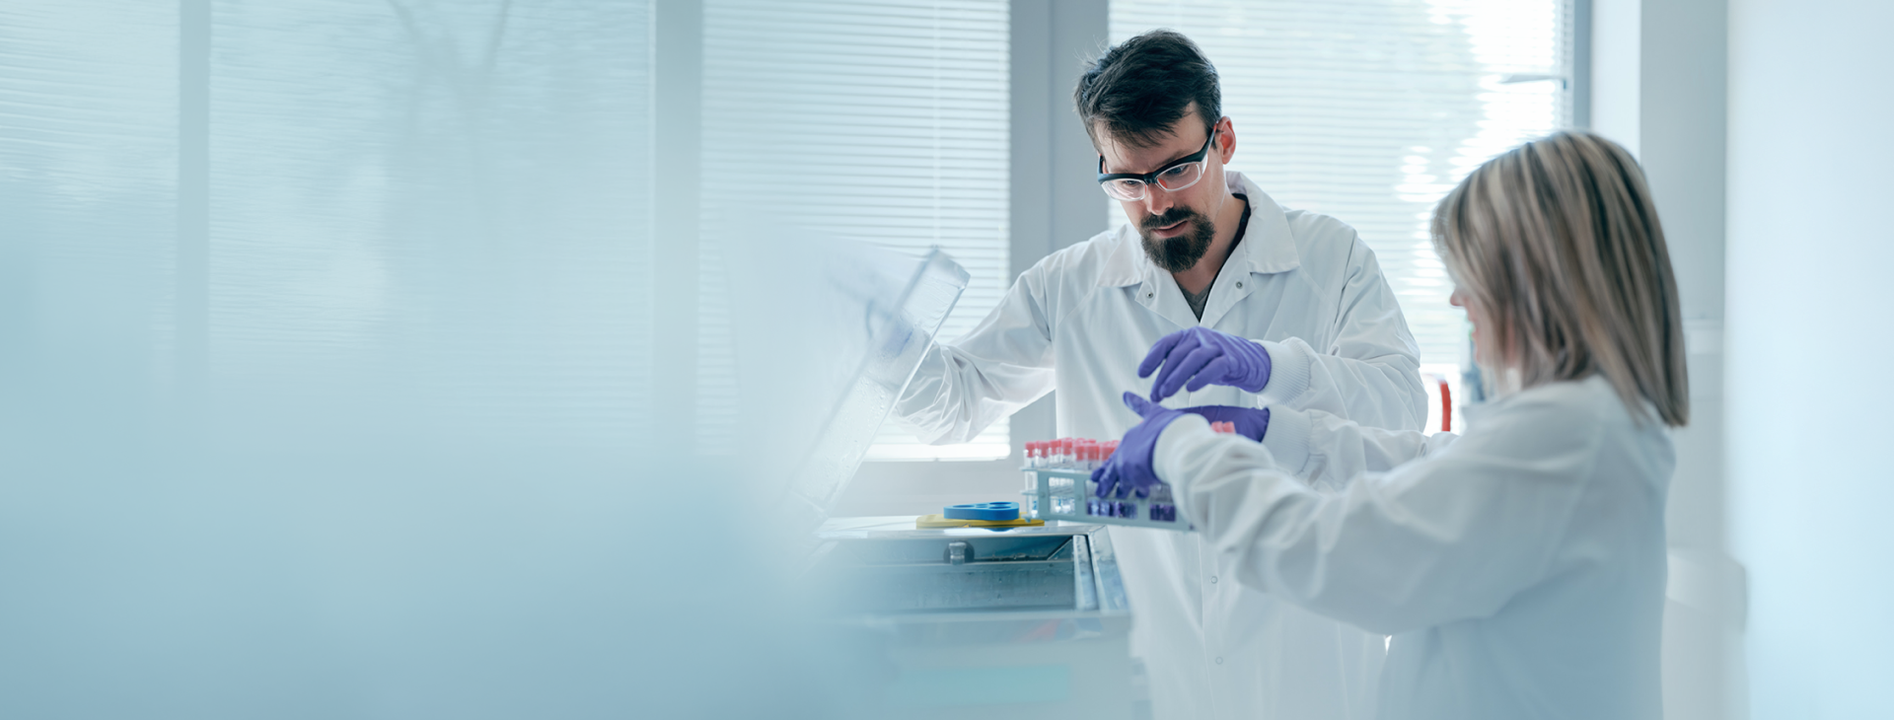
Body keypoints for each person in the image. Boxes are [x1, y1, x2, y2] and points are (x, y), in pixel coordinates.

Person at [893, 30, 1426, 720]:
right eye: (1128, 181)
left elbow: (1402, 411)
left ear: (1224, 141)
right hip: (1149, 675)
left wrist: (1280, 367)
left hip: (1309, 670)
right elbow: (952, 405)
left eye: (1176, 170)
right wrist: (886, 339)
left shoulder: (1330, 256)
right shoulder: (1072, 284)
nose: (1156, 204)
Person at [1095, 130, 1688, 720]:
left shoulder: (1566, 438)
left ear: (1542, 281)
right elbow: (1442, 468)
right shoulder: (1590, 425)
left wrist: (1186, 450)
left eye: (1475, 274)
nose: (1459, 300)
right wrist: (1276, 434)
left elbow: (1336, 554)